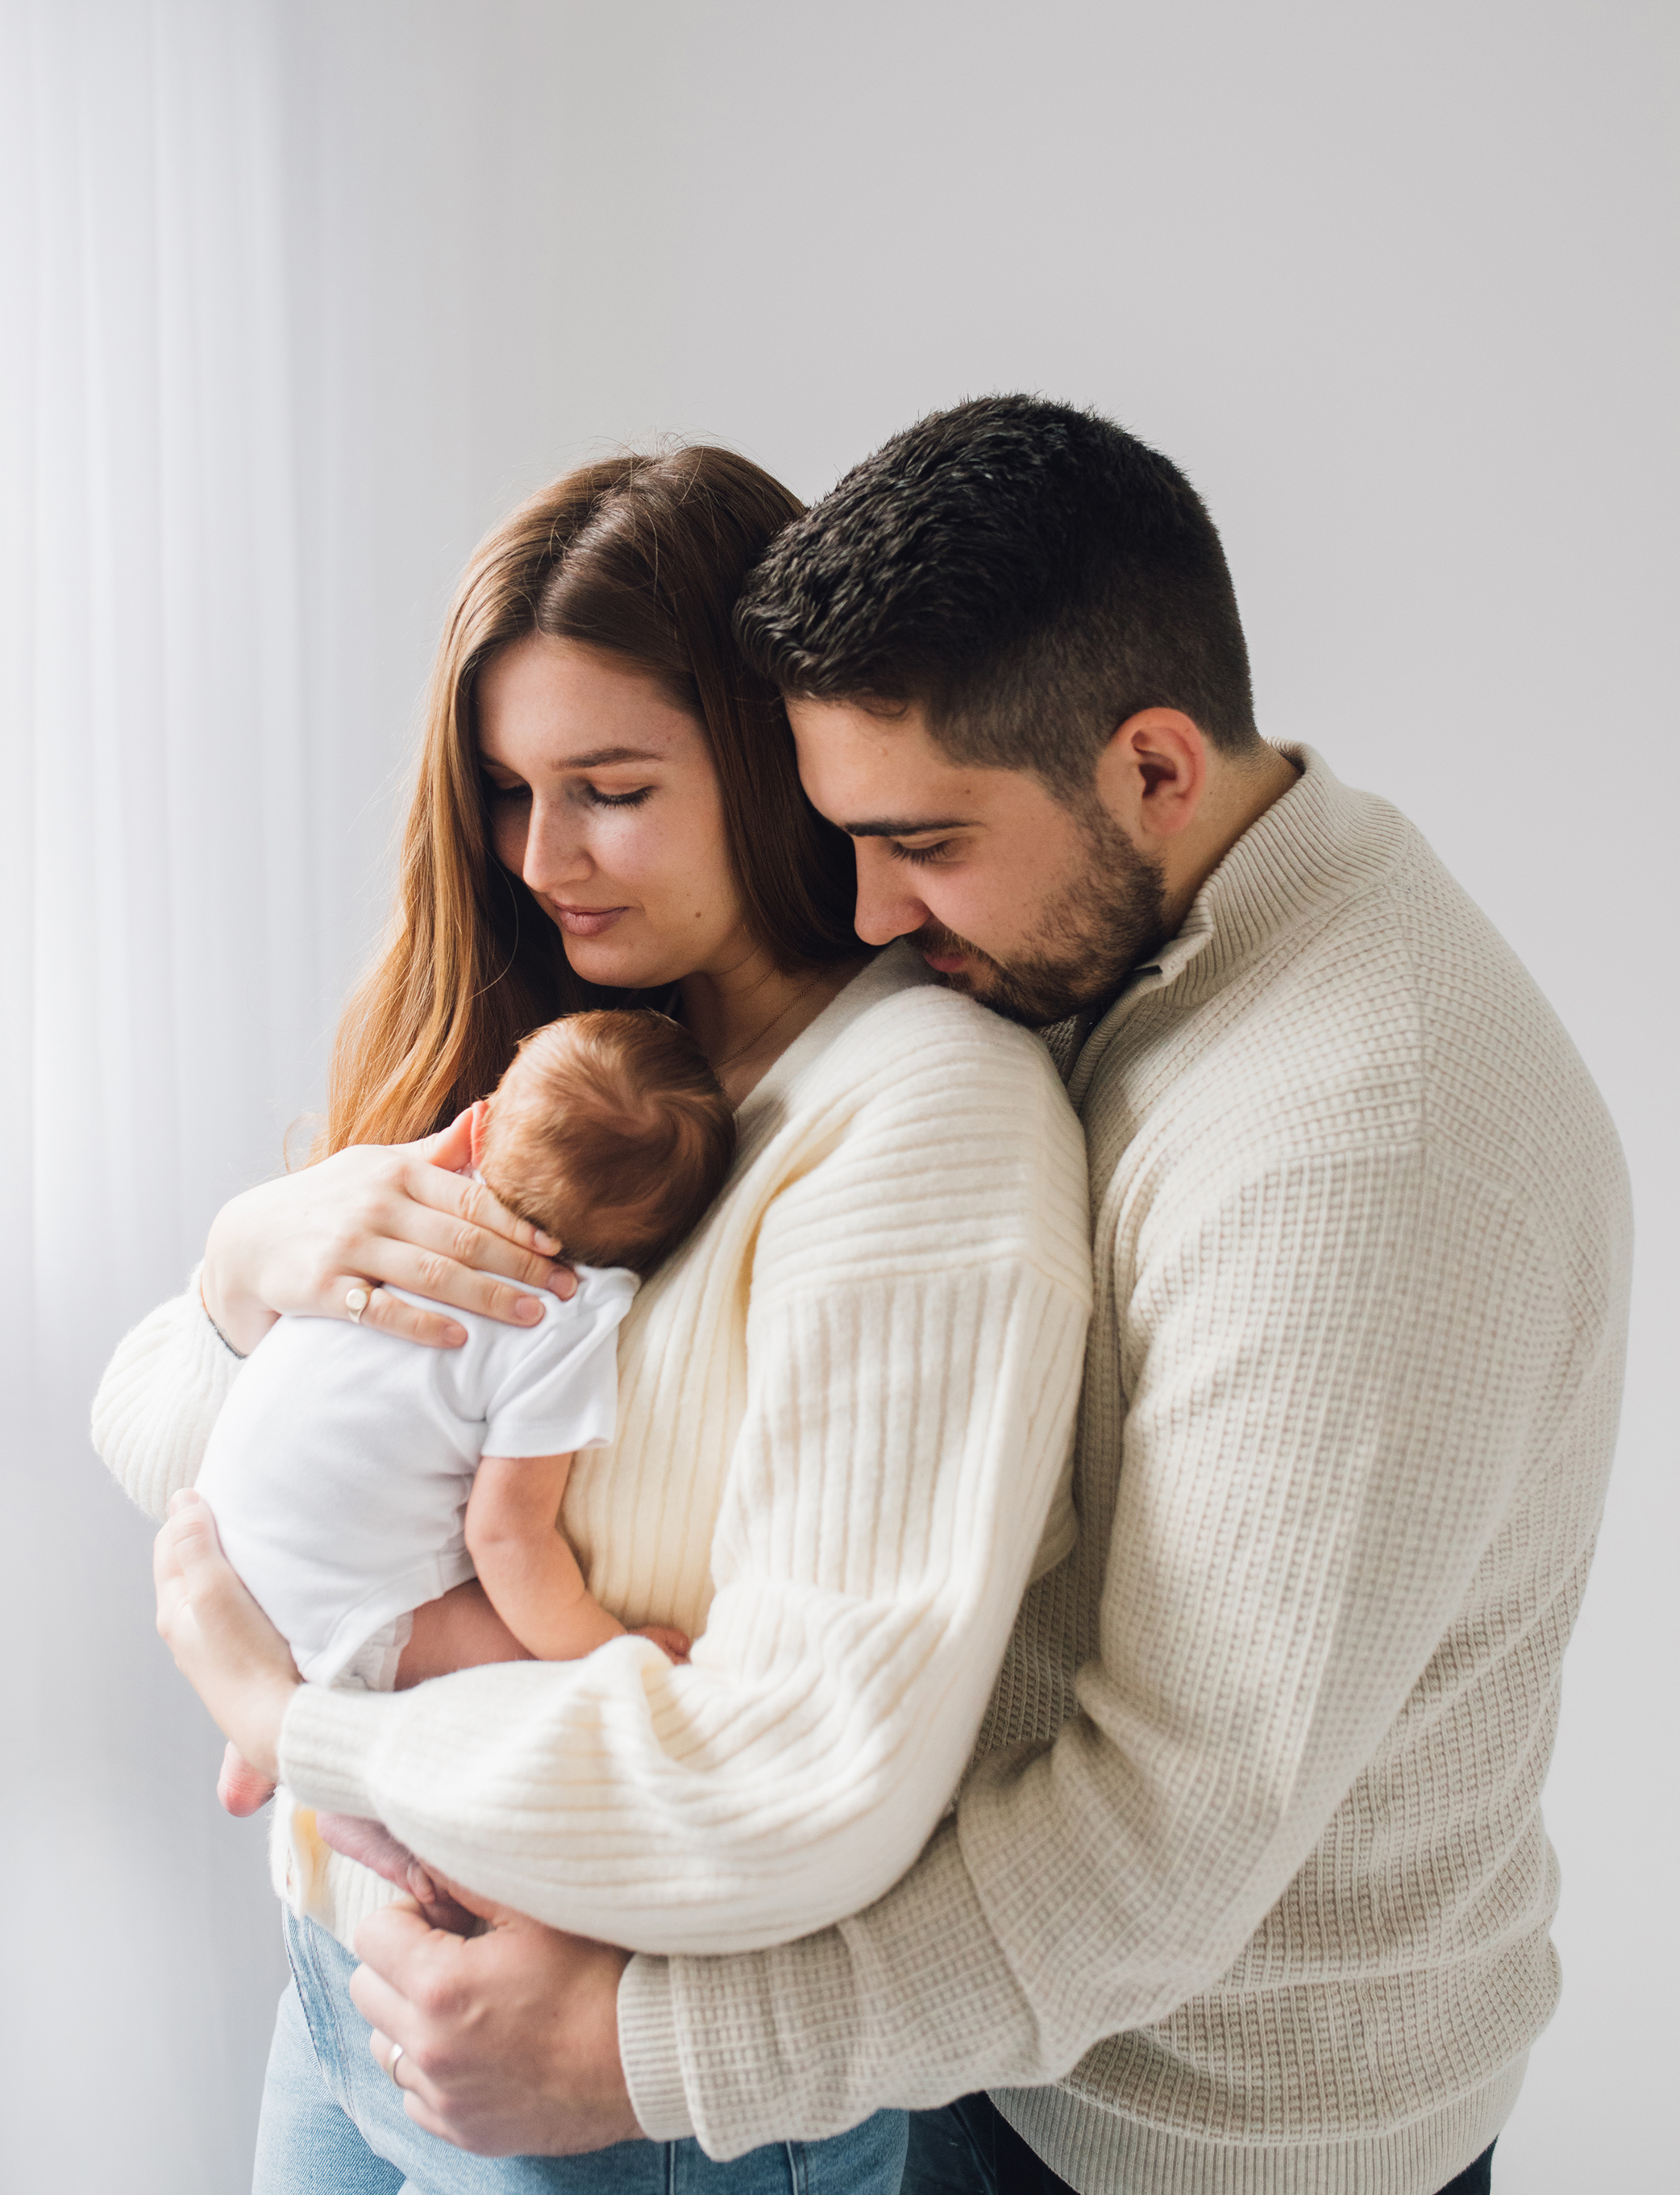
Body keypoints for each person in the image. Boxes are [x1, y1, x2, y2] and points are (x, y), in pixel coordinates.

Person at [177, 397, 1625, 2195]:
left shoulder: (1362, 1142)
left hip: (1182, 2138)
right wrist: (250, 1270)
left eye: (921, 843)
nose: (866, 909)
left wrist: (631, 2049)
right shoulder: (1127, 949)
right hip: (966, 2046)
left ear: (1156, 770)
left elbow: (1159, 1850)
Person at [100, 443, 1094, 2195]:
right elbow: (187, 1451)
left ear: (773, 761)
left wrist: (292, 1718)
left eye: (612, 787)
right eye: (507, 790)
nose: (543, 854)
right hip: (347, 1979)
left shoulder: (914, 1118)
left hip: (610, 2084)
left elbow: (810, 1777)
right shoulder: (570, 1065)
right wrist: (246, 1262)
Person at [197, 1011, 730, 1847]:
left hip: (232, 1518)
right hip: (341, 1587)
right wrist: (601, 1652)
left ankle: (262, 1734)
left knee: (347, 1587)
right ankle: (342, 1797)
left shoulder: (390, 1212)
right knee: (526, 1686)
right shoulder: (561, 1315)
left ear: (474, 1127)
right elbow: (507, 1539)